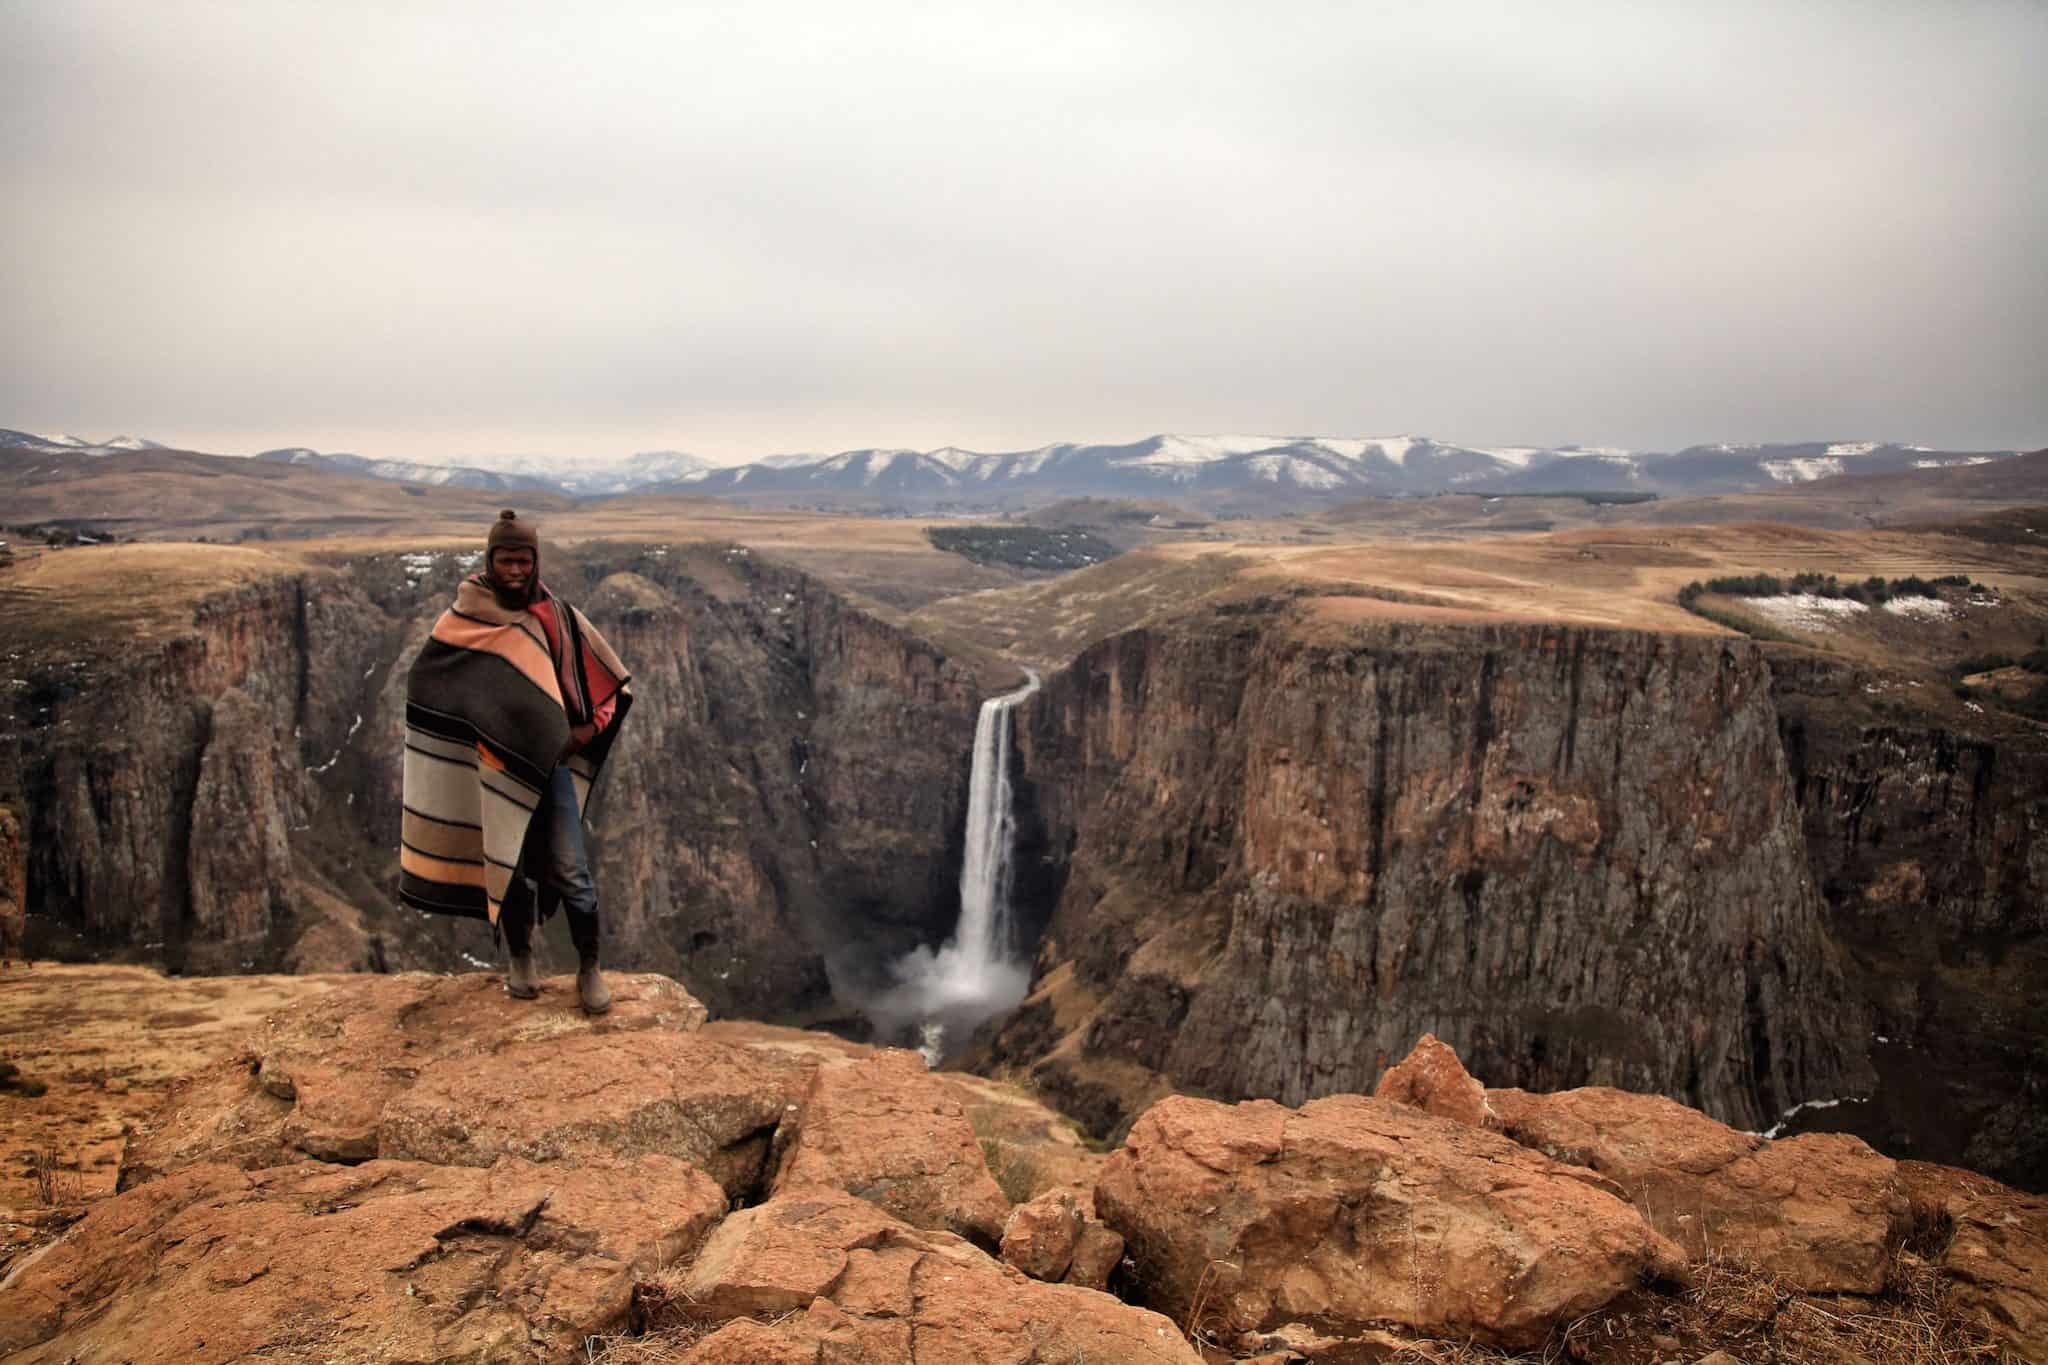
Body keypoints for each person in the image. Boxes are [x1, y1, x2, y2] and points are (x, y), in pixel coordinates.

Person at [399, 510, 633, 1012]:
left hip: (549, 770)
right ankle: (521, 958)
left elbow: (606, 680)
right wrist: (473, 739)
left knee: (571, 867)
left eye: (523, 560)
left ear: (535, 561)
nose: (515, 569)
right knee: (507, 863)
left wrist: (585, 731)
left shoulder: (557, 618)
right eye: (506, 559)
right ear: (490, 560)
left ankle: (589, 968)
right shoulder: (463, 620)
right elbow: (428, 684)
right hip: (495, 770)